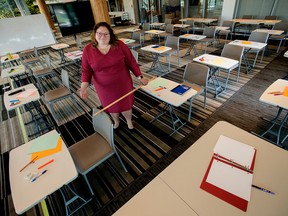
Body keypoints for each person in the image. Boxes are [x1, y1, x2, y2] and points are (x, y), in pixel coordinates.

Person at [80, 22, 148, 130]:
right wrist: (83, 87)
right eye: (99, 33)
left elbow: (131, 62)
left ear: (110, 34)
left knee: (125, 104)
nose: (102, 36)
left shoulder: (119, 45)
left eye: (106, 34)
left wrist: (140, 77)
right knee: (111, 106)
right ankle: (116, 121)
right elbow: (86, 70)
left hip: (123, 83)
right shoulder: (88, 50)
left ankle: (129, 120)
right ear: (95, 34)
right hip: (104, 87)